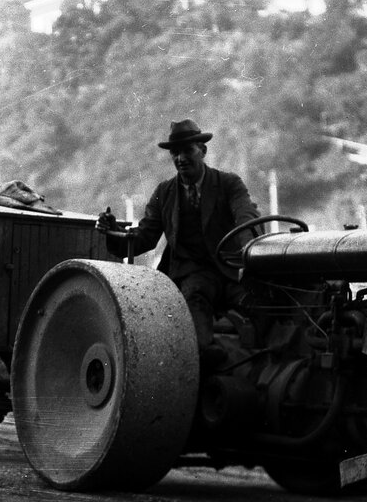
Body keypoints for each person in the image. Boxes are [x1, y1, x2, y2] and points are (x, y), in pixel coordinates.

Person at [97, 119, 263, 360]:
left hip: (231, 272)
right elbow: (144, 238)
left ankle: (267, 362)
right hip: (191, 274)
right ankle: (204, 361)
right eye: (175, 153)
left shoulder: (228, 184)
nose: (181, 158)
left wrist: (248, 250)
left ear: (202, 151)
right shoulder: (164, 193)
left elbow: (245, 216)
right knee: (194, 303)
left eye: (188, 150)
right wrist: (112, 231)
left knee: (263, 303)